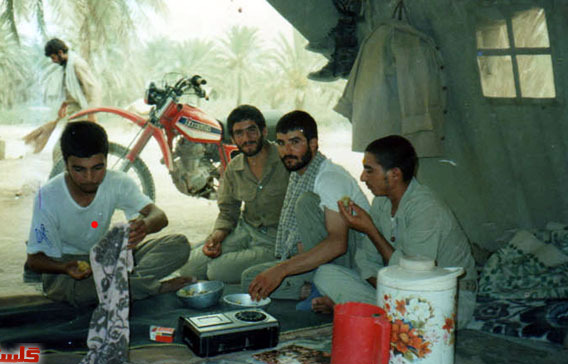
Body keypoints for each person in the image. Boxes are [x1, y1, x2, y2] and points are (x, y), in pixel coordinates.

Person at [313, 135, 477, 327]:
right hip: (397, 292)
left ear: (395, 174)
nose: (363, 177)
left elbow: (414, 277)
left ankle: (362, 312)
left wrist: (370, 230)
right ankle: (375, 313)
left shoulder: (426, 208)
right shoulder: (381, 202)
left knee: (416, 317)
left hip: (445, 298)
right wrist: (386, 292)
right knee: (325, 274)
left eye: (369, 170)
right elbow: (367, 260)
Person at [25, 121, 191, 307]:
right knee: (81, 292)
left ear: (106, 160)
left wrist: (145, 226)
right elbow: (34, 261)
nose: (89, 178)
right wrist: (64, 267)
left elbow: (158, 215)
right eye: (79, 169)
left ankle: (130, 285)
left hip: (106, 258)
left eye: (97, 168)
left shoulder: (116, 182)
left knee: (179, 245)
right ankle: (151, 287)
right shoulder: (48, 196)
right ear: (66, 164)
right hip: (67, 274)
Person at [241, 110, 371, 305]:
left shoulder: (329, 178)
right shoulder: (298, 174)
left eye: (295, 142)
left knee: (306, 202)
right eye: (281, 143)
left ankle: (322, 289)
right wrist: (284, 267)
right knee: (250, 279)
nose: (287, 150)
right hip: (322, 259)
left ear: (313, 144)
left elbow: (338, 244)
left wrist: (282, 269)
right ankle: (318, 289)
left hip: (351, 264)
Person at [180, 105, 289, 283]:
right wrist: (217, 237)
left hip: (275, 239)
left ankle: (280, 266)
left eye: (251, 130)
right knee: (189, 268)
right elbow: (228, 212)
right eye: (239, 133)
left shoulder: (286, 158)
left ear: (263, 131)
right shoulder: (234, 167)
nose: (246, 139)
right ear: (232, 138)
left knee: (217, 272)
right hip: (245, 230)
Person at [44, 38, 101, 162]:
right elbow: (74, 91)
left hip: (83, 113)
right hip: (75, 113)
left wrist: (91, 115)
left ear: (60, 52)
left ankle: (62, 174)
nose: (53, 61)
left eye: (53, 57)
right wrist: (65, 104)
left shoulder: (76, 64)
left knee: (59, 151)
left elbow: (93, 89)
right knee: (67, 152)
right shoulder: (67, 66)